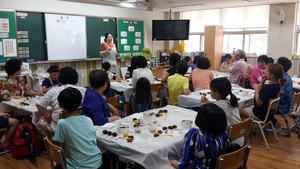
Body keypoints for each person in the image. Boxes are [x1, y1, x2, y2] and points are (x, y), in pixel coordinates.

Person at [169, 103, 230, 169]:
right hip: (218, 166)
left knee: (164, 161)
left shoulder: (195, 134)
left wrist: (171, 161)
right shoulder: (224, 133)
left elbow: (184, 165)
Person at [53, 87, 102, 169]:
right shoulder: (88, 120)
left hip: (78, 167)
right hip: (97, 163)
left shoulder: (62, 123)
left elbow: (59, 150)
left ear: (60, 105)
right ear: (80, 103)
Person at [35, 67, 86, 137]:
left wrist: (47, 115)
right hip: (79, 128)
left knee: (40, 123)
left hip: (56, 129)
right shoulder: (84, 90)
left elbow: (39, 104)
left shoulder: (54, 91)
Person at [240, 63, 285, 131]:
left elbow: (258, 102)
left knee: (238, 109)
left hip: (259, 113)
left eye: (267, 72)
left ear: (272, 75)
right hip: (268, 113)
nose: (265, 73)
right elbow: (263, 94)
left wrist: (255, 89)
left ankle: (242, 131)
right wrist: (262, 82)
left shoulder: (270, 88)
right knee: (247, 105)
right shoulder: (277, 85)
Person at [201, 78, 244, 146]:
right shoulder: (232, 102)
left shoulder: (217, 107)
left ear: (217, 93)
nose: (210, 91)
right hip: (240, 137)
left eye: (211, 90)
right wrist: (208, 105)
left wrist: (206, 106)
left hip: (230, 143)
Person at [271, 57, 293, 131]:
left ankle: (274, 124)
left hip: (281, 107)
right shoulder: (288, 77)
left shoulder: (281, 79)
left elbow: (278, 95)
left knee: (263, 105)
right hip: (287, 106)